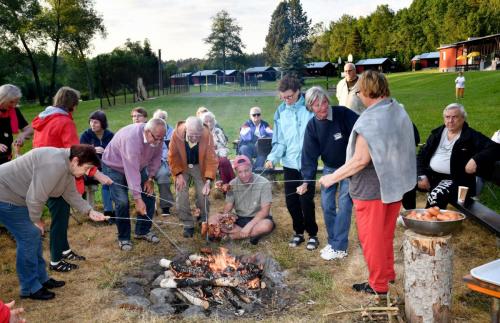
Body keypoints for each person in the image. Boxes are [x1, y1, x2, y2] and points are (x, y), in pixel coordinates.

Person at [319, 70, 416, 295]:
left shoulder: (371, 119)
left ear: (367, 90)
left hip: (372, 190)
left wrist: (331, 178)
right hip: (395, 186)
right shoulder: (398, 110)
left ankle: (378, 285)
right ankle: (387, 274)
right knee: (385, 234)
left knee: (371, 240)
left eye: (359, 91)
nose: (358, 95)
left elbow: (360, 160)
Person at [0, 145, 108, 300]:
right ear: (76, 160)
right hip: (4, 194)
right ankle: (30, 288)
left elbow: (70, 193)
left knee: (33, 235)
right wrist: (36, 220)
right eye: (86, 168)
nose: (85, 173)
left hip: (18, 197)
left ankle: (41, 279)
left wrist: (89, 211)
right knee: (29, 236)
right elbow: (35, 197)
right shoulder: (54, 164)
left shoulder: (67, 165)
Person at [32, 86, 112, 272]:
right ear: (73, 105)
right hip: (56, 177)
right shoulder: (63, 122)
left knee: (62, 214)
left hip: (45, 172)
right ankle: (55, 261)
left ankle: (64, 249)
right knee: (59, 218)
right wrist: (97, 174)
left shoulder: (44, 119)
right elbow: (78, 154)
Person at [299, 86, 358, 260]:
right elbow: (309, 157)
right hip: (330, 168)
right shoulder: (312, 126)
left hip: (349, 167)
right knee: (326, 204)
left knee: (344, 205)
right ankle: (334, 242)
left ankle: (340, 247)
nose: (322, 107)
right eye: (316, 105)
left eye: (324, 102)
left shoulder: (343, 114)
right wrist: (305, 181)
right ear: (310, 107)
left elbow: (364, 127)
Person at [264, 74, 318, 250]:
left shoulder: (309, 108)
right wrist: (272, 158)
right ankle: (298, 233)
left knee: (305, 201)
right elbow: (280, 141)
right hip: (289, 164)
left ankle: (313, 235)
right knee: (291, 201)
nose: (286, 100)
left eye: (290, 96)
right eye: (283, 97)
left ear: (298, 92)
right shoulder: (281, 111)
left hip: (307, 163)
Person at [102, 118, 166, 251]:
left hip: (139, 165)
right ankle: (124, 238)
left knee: (149, 195)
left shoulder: (157, 136)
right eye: (157, 138)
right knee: (123, 202)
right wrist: (137, 198)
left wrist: (150, 178)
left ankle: (142, 231)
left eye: (162, 138)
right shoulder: (132, 139)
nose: (159, 142)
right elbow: (131, 171)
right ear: (148, 132)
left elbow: (156, 157)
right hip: (114, 166)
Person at [417, 103, 496, 208]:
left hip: (455, 179)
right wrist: (421, 175)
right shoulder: (437, 134)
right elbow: (422, 155)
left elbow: (495, 148)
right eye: (447, 117)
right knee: (404, 183)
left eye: (454, 117)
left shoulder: (470, 136)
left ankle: (429, 222)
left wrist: (475, 159)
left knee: (435, 196)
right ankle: (408, 213)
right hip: (431, 174)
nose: (450, 120)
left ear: (463, 118)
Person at [168, 116, 218, 238]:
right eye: (191, 135)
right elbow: (172, 156)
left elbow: (211, 159)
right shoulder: (176, 134)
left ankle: (203, 220)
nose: (194, 138)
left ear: (201, 131)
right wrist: (178, 174)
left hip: (199, 166)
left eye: (197, 135)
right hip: (182, 165)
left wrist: (208, 181)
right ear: (186, 129)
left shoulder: (207, 135)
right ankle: (188, 223)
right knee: (181, 192)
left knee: (203, 193)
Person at [207, 155, 274, 244]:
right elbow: (229, 205)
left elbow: (265, 211)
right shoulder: (232, 184)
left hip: (259, 218)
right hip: (240, 218)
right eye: (240, 172)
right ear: (236, 172)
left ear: (251, 168)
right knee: (212, 219)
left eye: (246, 170)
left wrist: (249, 226)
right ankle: (250, 234)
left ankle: (232, 236)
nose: (244, 175)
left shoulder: (264, 182)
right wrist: (224, 217)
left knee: (266, 226)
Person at [80, 110, 114, 217]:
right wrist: (93, 149)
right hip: (89, 168)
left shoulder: (110, 135)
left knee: (107, 181)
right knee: (91, 182)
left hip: (107, 166)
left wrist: (106, 151)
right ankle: (89, 211)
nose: (92, 124)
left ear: (102, 123)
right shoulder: (86, 135)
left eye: (95, 122)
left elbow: (116, 152)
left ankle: (108, 211)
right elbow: (80, 153)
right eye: (91, 122)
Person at [0, 84, 33, 165]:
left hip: (6, 158)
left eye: (16, 102)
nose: (14, 105)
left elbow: (30, 129)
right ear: (2, 98)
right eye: (11, 102)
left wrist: (23, 135)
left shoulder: (14, 111)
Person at [201, 111, 235, 184]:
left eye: (211, 121)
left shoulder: (218, 131)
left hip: (218, 156)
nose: (209, 123)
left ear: (214, 121)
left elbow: (224, 147)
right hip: (205, 159)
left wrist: (217, 153)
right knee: (222, 162)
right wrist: (214, 150)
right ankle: (226, 185)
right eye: (206, 121)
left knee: (225, 161)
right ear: (203, 123)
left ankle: (229, 185)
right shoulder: (200, 133)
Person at [152, 109, 174, 216]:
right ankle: (148, 206)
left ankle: (166, 206)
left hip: (160, 161)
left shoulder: (169, 131)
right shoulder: (148, 129)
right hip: (145, 163)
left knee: (163, 175)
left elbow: (166, 149)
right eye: (158, 118)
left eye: (163, 118)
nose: (161, 120)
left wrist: (161, 158)